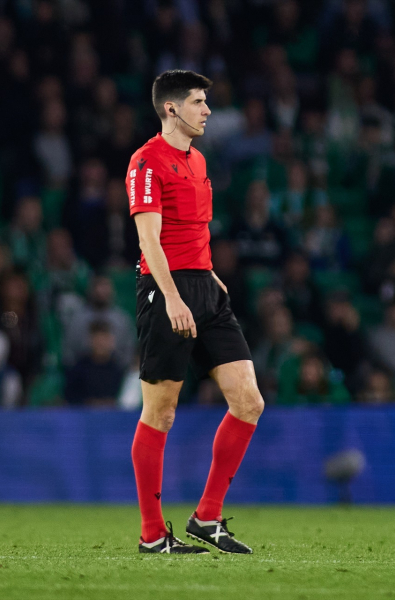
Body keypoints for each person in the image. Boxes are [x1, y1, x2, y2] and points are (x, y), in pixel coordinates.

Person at [127, 70, 262, 555]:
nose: (207, 110)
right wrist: (174, 296)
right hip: (167, 291)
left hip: (205, 289)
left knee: (249, 402)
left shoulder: (199, 160)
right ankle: (150, 536)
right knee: (160, 413)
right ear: (171, 108)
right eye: (199, 102)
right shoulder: (146, 162)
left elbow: (194, 229)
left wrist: (207, 278)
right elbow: (149, 239)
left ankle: (206, 519)